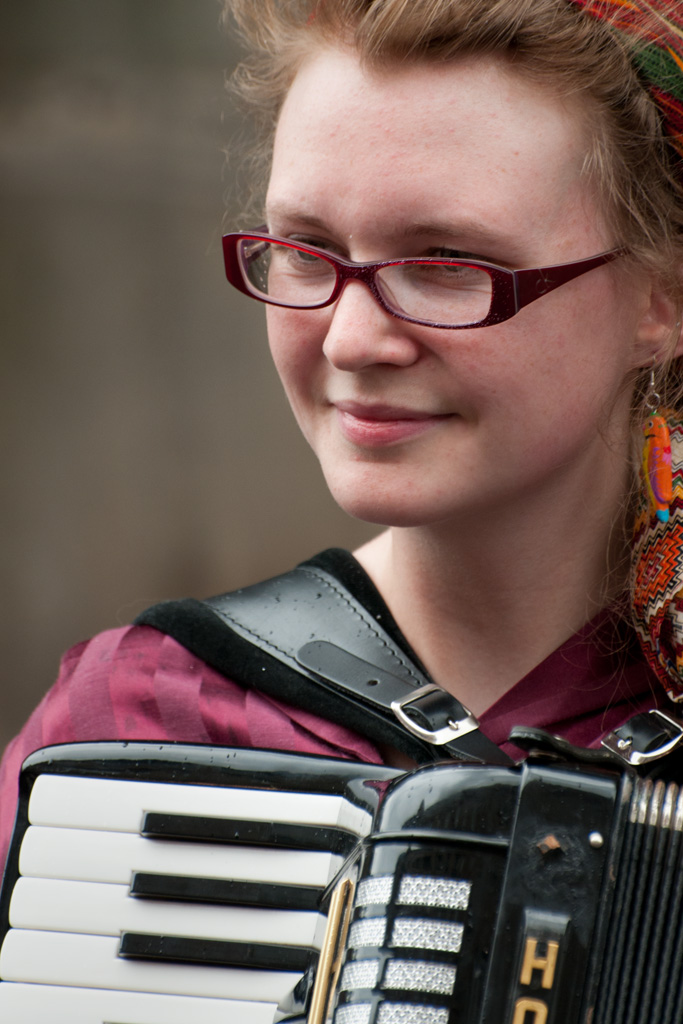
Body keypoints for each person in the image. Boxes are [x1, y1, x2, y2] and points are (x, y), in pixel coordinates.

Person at [2, 0, 683, 881]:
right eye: (306, 250)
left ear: (658, 300)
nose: (349, 341)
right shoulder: (142, 721)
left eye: (444, 263)